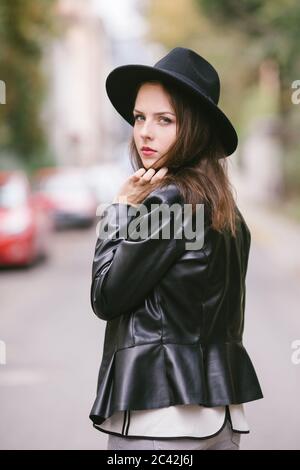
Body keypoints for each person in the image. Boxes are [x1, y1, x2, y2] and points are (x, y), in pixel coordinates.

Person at [89, 47, 263, 450]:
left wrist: (119, 212)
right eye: (139, 117)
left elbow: (106, 296)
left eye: (164, 120)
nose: (145, 132)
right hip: (220, 418)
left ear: (195, 128)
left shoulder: (170, 203)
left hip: (161, 420)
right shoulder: (227, 211)